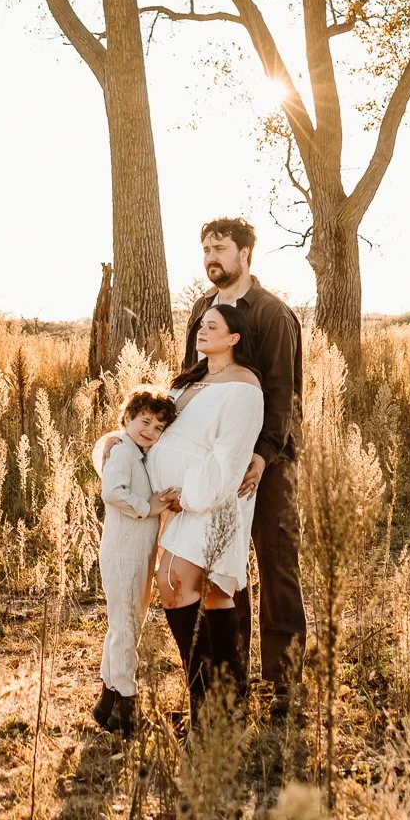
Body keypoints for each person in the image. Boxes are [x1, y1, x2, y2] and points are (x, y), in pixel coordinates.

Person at [178, 218, 305, 716]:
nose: (212, 256)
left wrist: (262, 454)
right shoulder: (200, 310)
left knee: (275, 565)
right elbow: (196, 377)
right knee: (223, 570)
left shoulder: (273, 314)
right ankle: (232, 684)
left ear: (246, 252)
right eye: (206, 247)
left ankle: (286, 685)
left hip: (267, 462)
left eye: (221, 247)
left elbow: (283, 394)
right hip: (216, 461)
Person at [147, 301, 264, 716]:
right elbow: (153, 426)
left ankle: (208, 700)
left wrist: (189, 496)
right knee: (213, 594)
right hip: (177, 505)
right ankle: (221, 702)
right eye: (201, 324)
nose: (202, 329)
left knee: (174, 582)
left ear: (234, 338)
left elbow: (229, 458)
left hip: (208, 503)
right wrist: (114, 445)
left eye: (212, 326)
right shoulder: (190, 381)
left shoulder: (244, 387)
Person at [90, 387, 180, 737]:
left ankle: (106, 704)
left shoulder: (141, 456)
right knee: (126, 628)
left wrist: (161, 501)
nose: (150, 431)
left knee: (125, 626)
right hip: (123, 555)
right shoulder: (123, 452)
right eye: (144, 422)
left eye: (158, 427)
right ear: (126, 419)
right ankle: (127, 706)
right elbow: (112, 492)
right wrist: (148, 507)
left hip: (139, 555)